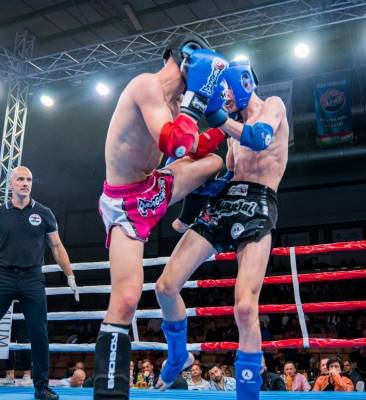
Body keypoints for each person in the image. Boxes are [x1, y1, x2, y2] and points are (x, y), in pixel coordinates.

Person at [93, 32, 229, 399]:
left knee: (215, 162)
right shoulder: (147, 85)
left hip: (154, 187)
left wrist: (225, 123)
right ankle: (109, 393)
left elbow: (195, 146)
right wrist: (196, 104)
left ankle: (189, 218)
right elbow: (175, 143)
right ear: (184, 57)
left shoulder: (176, 105)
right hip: (124, 203)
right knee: (126, 298)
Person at [155, 57, 289, 400]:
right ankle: (177, 356)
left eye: (225, 89)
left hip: (259, 205)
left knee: (244, 307)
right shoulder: (231, 131)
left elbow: (259, 138)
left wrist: (219, 118)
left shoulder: (272, 106)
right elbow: (228, 175)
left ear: (243, 82)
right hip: (224, 205)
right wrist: (192, 201)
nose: (222, 97)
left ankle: (247, 396)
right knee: (165, 287)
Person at [0, 166, 79, 400]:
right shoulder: (1, 212)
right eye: (20, 179)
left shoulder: (44, 213)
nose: (25, 183)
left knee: (39, 333)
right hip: (3, 276)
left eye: (29, 179)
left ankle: (41, 387)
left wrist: (70, 275)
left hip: (32, 278)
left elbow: (56, 246)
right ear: (11, 184)